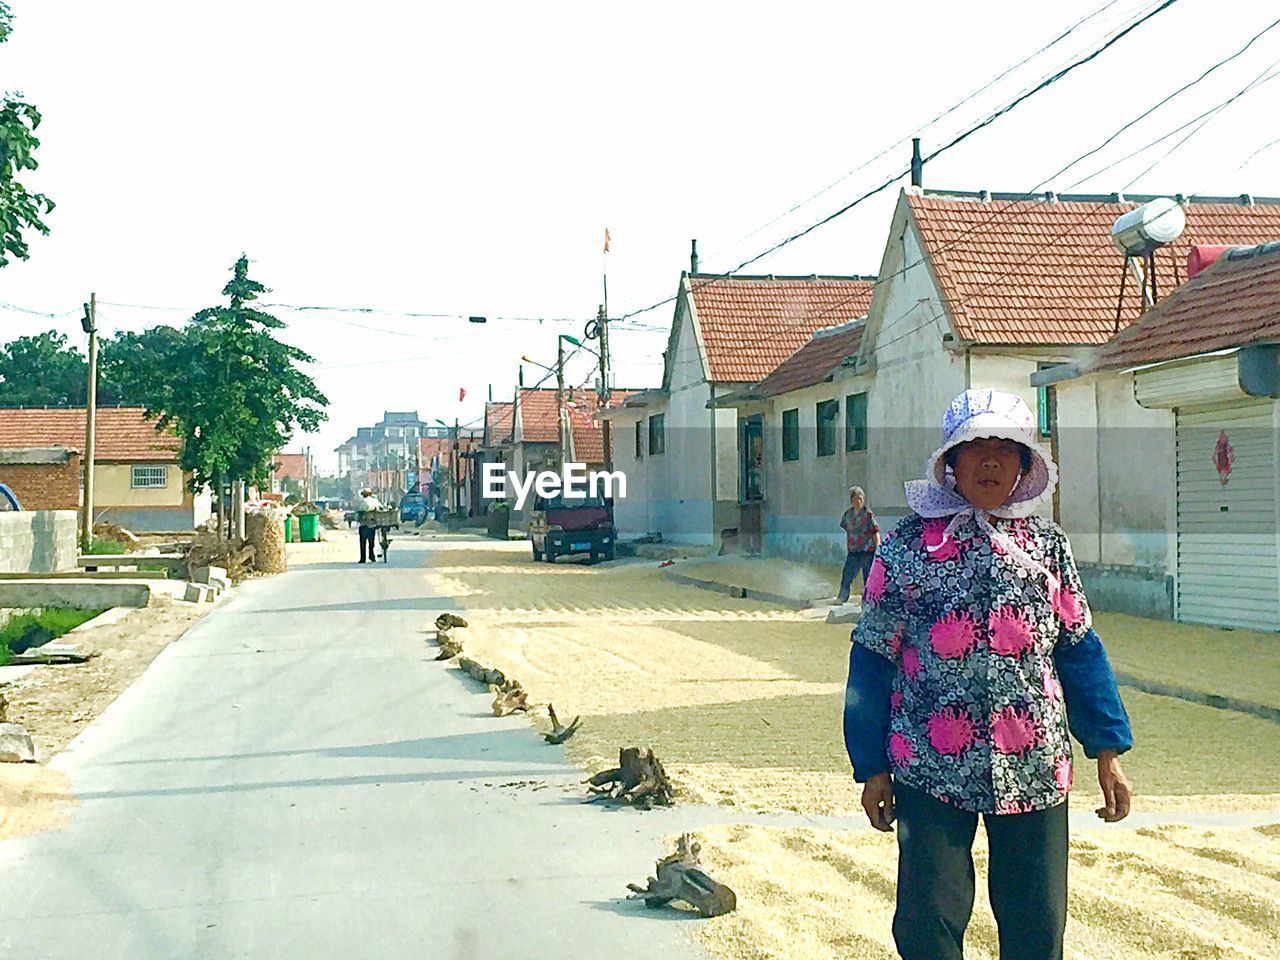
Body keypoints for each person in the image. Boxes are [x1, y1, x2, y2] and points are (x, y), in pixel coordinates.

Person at [843, 388, 1133, 960]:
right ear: (950, 462)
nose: (991, 461)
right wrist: (870, 765)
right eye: (976, 448)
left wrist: (1107, 747)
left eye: (1007, 449)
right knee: (927, 923)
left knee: (1036, 925)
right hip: (930, 764)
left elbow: (1077, 646)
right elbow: (872, 656)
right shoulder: (906, 548)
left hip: (1034, 768)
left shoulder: (1047, 546)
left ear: (1025, 465)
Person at [836, 485, 879, 604]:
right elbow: (847, 530)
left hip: (867, 550)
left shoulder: (868, 514)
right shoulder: (848, 515)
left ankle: (869, 599)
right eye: (855, 499)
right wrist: (848, 545)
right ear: (852, 501)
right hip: (854, 550)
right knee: (847, 574)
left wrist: (877, 548)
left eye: (860, 498)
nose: (858, 501)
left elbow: (875, 531)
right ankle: (842, 597)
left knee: (868, 576)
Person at [355, 488, 385, 564]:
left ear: (364, 495)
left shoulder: (362, 501)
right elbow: (381, 508)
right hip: (372, 524)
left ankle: (363, 558)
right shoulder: (375, 501)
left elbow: (358, 510)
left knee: (363, 542)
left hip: (364, 524)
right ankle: (372, 556)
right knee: (371, 542)